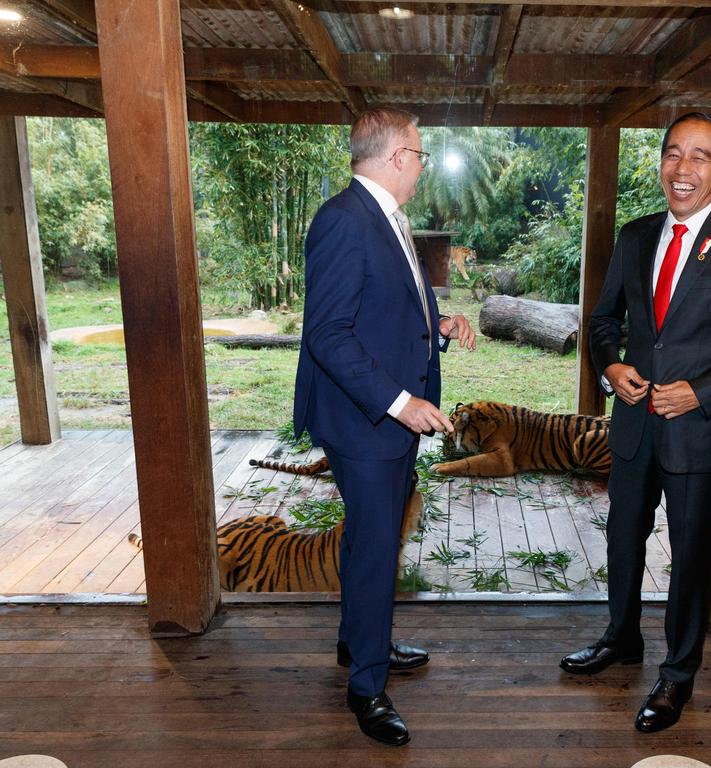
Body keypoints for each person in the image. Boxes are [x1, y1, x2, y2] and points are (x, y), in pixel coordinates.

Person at [560, 112, 711, 733]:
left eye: (700, 157)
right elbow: (604, 319)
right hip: (636, 424)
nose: (682, 168)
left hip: (699, 431)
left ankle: (677, 675)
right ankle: (620, 639)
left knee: (690, 556)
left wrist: (702, 392)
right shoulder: (638, 235)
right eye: (673, 154)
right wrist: (611, 367)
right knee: (621, 539)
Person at [293, 106, 476, 747]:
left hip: (384, 416)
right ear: (397, 156)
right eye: (420, 153)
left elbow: (386, 309)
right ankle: (367, 687)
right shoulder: (344, 221)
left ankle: (357, 641)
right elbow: (328, 336)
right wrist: (400, 402)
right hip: (365, 420)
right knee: (375, 546)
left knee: (373, 537)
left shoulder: (383, 216)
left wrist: (440, 325)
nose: (423, 165)